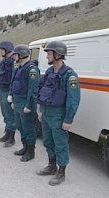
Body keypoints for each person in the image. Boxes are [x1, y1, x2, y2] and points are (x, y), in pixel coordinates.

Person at [36, 41, 80, 186]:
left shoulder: (70, 75)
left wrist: (68, 119)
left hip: (59, 115)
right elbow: (44, 92)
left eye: (49, 53)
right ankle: (51, 165)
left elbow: (73, 100)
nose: (47, 56)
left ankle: (61, 172)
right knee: (48, 141)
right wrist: (41, 111)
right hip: (47, 113)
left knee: (60, 144)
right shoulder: (49, 72)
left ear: (58, 55)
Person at [9, 44, 39, 162]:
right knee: (20, 126)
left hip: (25, 102)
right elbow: (13, 83)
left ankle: (30, 151)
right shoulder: (19, 68)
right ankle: (24, 147)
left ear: (22, 54)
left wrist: (28, 105)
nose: (14, 57)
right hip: (17, 101)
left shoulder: (31, 69)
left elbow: (33, 90)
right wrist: (11, 97)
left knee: (28, 127)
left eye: (15, 54)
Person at [0, 41, 16, 147]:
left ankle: (11, 138)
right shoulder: (3, 61)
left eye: (2, 50)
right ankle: (7, 134)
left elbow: (14, 78)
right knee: (5, 113)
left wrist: (11, 94)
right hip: (2, 90)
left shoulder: (13, 62)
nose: (1, 51)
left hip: (8, 91)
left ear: (7, 50)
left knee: (10, 115)